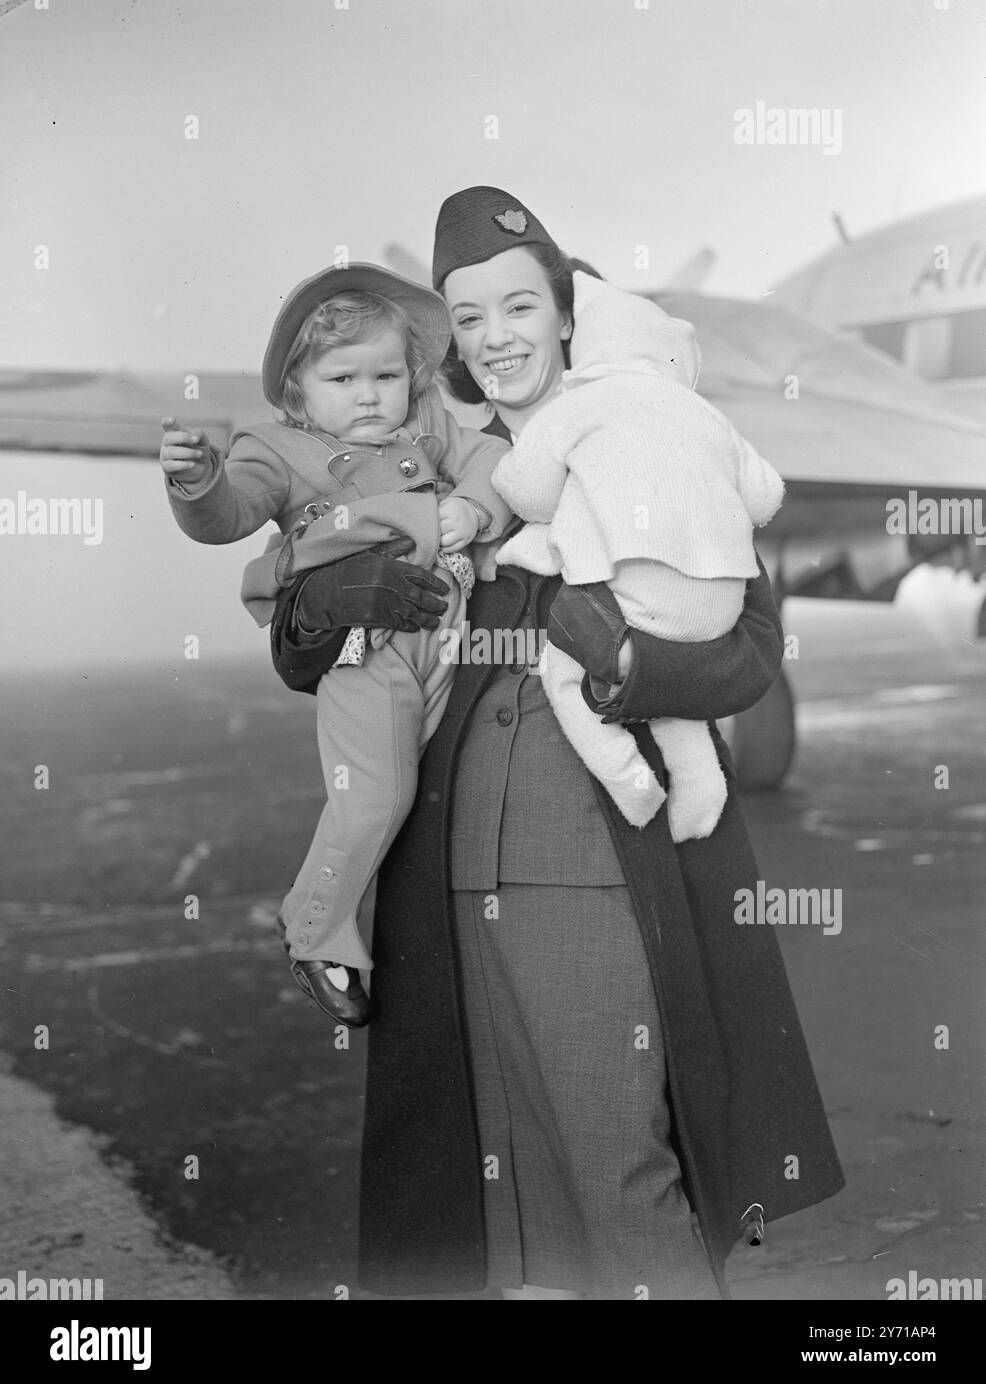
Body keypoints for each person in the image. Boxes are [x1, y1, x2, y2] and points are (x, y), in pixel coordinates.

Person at [270, 186, 844, 1300]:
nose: (495, 340)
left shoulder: (647, 429)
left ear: (568, 312)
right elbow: (301, 646)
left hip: (584, 859)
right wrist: (347, 593)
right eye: (468, 318)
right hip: (442, 869)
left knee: (614, 1168)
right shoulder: (418, 456)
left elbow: (749, 649)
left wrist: (624, 662)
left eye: (518, 307)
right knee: (507, 1201)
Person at [159, 263, 511, 1026]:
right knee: (376, 795)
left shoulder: (428, 423)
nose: (369, 394)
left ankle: (428, 961)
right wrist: (198, 482)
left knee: (438, 791)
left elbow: (487, 458)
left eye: (386, 373)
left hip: (448, 640)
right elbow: (230, 514)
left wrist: (477, 510)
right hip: (366, 649)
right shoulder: (276, 447)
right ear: (296, 389)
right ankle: (315, 929)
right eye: (343, 377)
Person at [491, 269, 785, 839]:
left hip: (636, 606)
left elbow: (526, 491)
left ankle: (628, 779)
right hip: (718, 612)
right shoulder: (708, 416)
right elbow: (766, 494)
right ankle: (702, 786)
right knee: (671, 695)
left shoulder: (578, 406)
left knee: (564, 670)